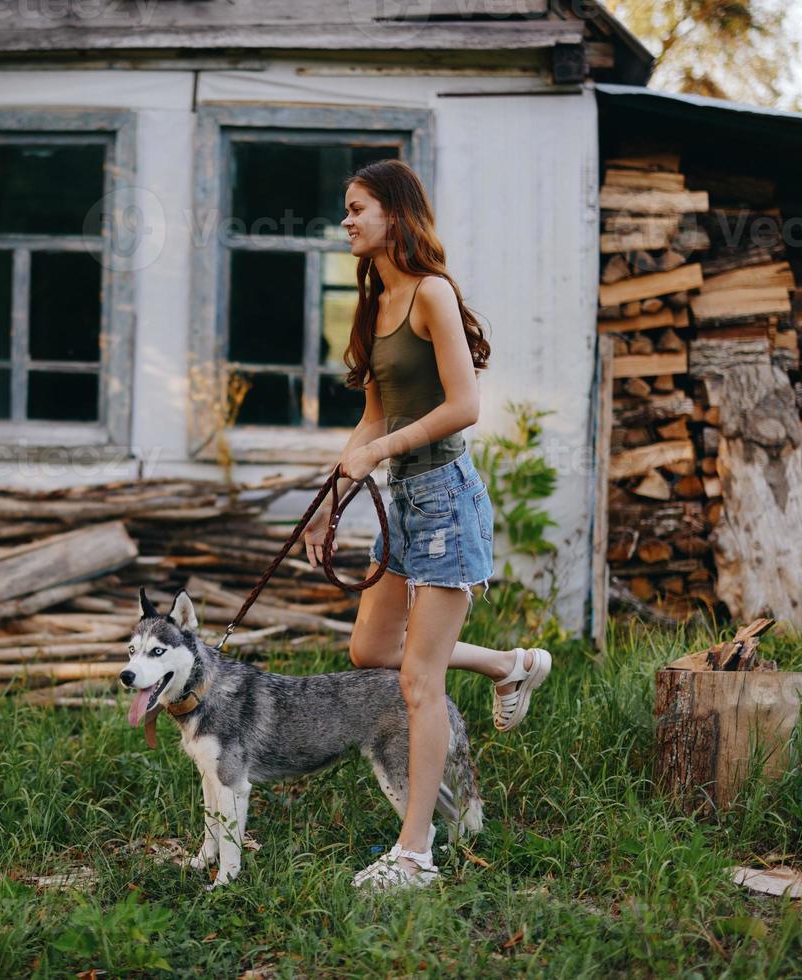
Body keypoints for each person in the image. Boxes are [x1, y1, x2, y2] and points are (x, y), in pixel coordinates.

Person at [302, 158, 551, 891]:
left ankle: (415, 853)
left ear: (395, 215)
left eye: (357, 209)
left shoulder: (432, 294)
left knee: (417, 682)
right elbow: (373, 416)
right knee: (372, 649)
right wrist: (328, 506)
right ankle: (510, 665)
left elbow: (464, 406)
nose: (346, 221)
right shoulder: (375, 304)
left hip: (445, 498)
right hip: (403, 501)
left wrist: (379, 451)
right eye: (345, 210)